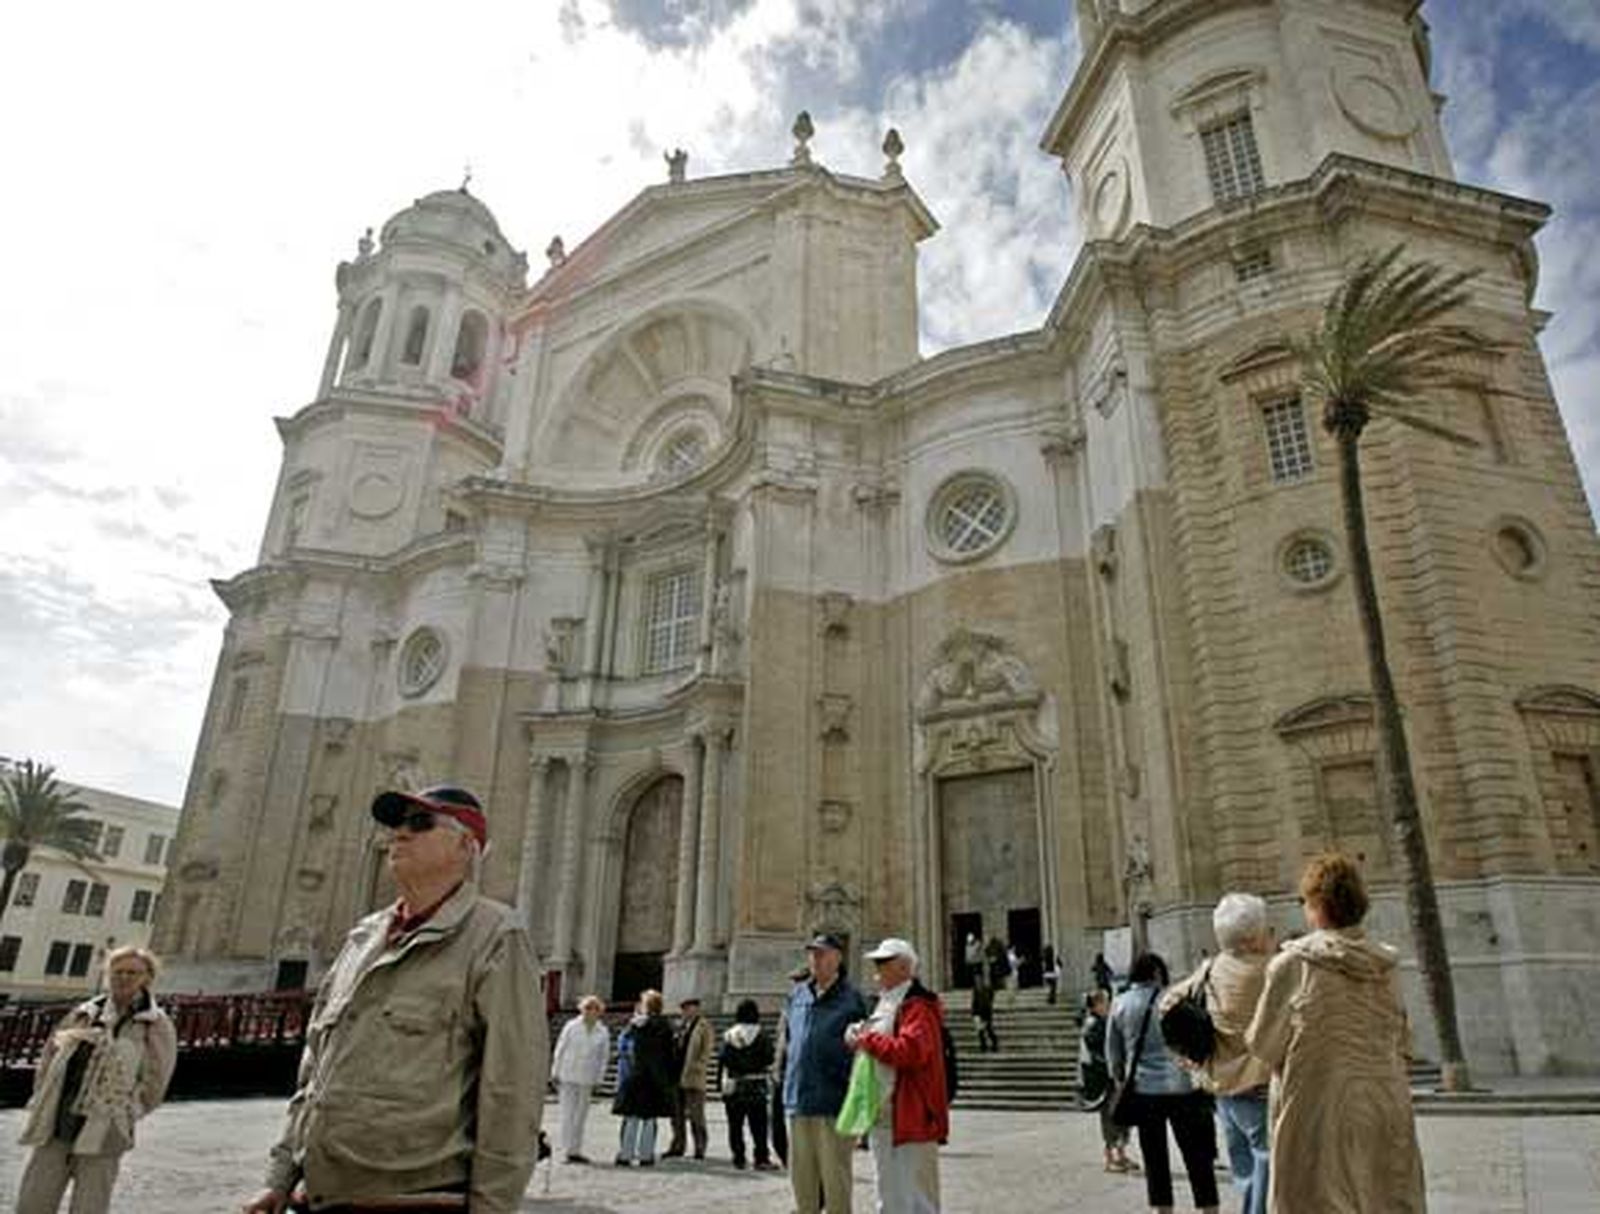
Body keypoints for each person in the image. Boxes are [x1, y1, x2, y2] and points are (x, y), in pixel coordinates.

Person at [243, 785, 546, 1214]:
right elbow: (313, 1075)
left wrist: (492, 1208)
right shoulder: (363, 937)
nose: (399, 834)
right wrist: (278, 1180)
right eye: (395, 824)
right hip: (313, 1199)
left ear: (467, 845)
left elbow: (512, 1091)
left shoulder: (496, 938)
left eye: (420, 823)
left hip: (415, 1201)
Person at [1247, 854, 1426, 1213]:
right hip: (1383, 1106)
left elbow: (1263, 1045)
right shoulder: (1385, 964)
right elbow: (1403, 1037)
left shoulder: (1293, 965)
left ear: (1316, 904)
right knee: (1382, 1196)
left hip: (1318, 1113)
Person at [15, 945, 177, 1214]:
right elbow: (49, 1059)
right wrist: (44, 1096)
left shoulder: (155, 1024)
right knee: (32, 1203)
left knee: (89, 1206)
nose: (123, 977)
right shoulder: (85, 1012)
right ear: (107, 974)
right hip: (56, 1124)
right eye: (117, 971)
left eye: (132, 972)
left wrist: (126, 1113)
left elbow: (156, 1081)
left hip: (104, 1130)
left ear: (147, 977)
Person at [1163, 893, 1273, 1214]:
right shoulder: (1271, 970)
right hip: (1260, 1087)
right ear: (1253, 936)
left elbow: (1168, 1003)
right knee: (1265, 1164)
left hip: (1222, 1089)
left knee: (1245, 1170)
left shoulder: (1210, 969)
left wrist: (1184, 1055)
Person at [1107, 952, 1219, 1213]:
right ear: (1158, 973)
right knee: (1197, 1155)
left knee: (1154, 1156)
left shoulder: (1120, 1004)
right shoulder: (1174, 1000)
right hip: (1184, 1087)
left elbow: (1114, 1055)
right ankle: (1209, 1209)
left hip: (1145, 1090)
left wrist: (1122, 1079)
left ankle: (1163, 1210)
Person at [848, 938, 950, 1214]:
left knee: (916, 1197)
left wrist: (868, 1041)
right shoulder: (886, 1002)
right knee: (888, 1191)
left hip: (911, 1113)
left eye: (883, 963)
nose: (876, 969)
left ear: (905, 968)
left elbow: (913, 1051)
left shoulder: (918, 1005)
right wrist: (860, 1035)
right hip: (884, 1112)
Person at [783, 932, 868, 1214]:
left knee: (836, 1183)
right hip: (799, 1099)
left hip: (833, 1101)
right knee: (802, 1182)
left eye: (821, 953)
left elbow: (862, 1054)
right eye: (812, 953)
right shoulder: (797, 995)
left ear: (838, 957)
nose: (815, 959)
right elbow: (789, 1042)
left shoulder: (852, 999)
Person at [611, 989, 675, 1167]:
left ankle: (625, 1153)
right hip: (655, 1077)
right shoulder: (665, 1026)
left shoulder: (636, 1025)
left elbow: (628, 1047)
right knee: (649, 1118)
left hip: (635, 1074)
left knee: (631, 1116)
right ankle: (646, 1155)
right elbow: (669, 1054)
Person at [1078, 988, 1135, 1175]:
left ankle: (1121, 1153)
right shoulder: (1092, 1025)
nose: (1109, 1005)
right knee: (1110, 1118)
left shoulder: (1104, 1022)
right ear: (1096, 1005)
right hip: (1104, 1080)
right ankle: (1110, 1157)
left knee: (1120, 1116)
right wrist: (1113, 1067)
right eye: (1105, 1002)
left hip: (1113, 1077)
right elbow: (1096, 1055)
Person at [550, 994, 610, 1164]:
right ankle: (566, 1150)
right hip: (568, 1073)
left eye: (595, 1009)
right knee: (567, 1113)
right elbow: (560, 1049)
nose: (591, 1012)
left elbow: (603, 1057)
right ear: (582, 1009)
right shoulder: (571, 1026)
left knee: (581, 1115)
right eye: (588, 1008)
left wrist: (600, 1078)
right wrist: (555, 1071)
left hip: (587, 1076)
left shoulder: (603, 1031)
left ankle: (576, 1149)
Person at [719, 998, 778, 1170]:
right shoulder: (761, 1035)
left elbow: (723, 1058)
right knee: (758, 1126)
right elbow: (769, 1057)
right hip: (755, 1085)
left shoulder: (729, 1035)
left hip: (735, 1085)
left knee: (735, 1126)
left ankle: (738, 1157)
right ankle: (761, 1157)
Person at [664, 995, 713, 1160]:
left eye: (689, 1008)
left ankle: (700, 1147)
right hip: (676, 1074)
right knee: (676, 1115)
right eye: (684, 1008)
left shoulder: (704, 1026)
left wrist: (699, 1067)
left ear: (696, 1008)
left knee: (696, 1115)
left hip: (693, 1076)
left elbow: (707, 1050)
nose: (686, 1011)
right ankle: (678, 1145)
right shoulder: (680, 1025)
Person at [771, 962, 809, 1169]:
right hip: (783, 1071)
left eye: (799, 981)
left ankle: (800, 1164)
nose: (795, 986)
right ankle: (789, 1158)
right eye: (794, 982)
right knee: (777, 1123)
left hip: (800, 1074)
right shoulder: (789, 1005)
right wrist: (776, 1067)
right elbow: (781, 1040)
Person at [970, 979, 998, 1052]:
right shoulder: (976, 991)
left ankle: (994, 1044)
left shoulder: (987, 990)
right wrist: (973, 1013)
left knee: (989, 1030)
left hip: (986, 1013)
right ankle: (983, 1046)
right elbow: (974, 1002)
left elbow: (990, 1001)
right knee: (980, 1031)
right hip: (978, 1013)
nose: (978, 983)